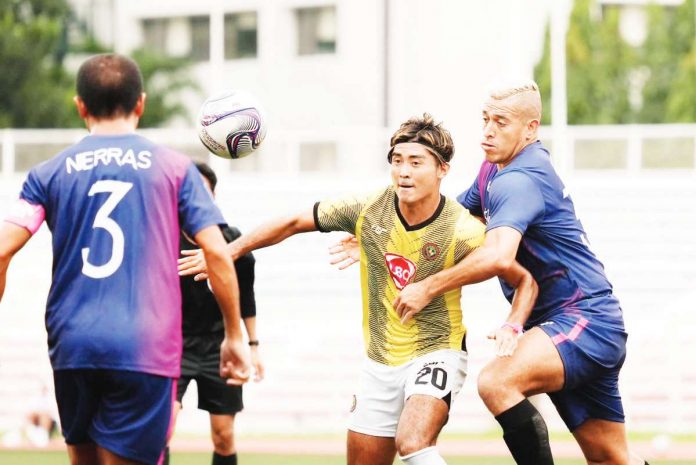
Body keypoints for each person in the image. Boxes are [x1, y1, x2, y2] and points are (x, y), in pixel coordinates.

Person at [178, 114, 538, 465]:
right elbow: (291, 221)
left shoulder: (463, 230)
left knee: (414, 442)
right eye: (397, 161)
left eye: (416, 162)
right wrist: (228, 251)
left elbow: (523, 279)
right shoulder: (368, 209)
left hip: (437, 351)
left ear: (442, 169)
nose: (404, 171)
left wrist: (512, 323)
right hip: (379, 362)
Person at [379, 81, 648, 465]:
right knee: (610, 456)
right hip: (582, 323)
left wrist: (428, 287)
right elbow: (456, 219)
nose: (488, 131)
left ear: (530, 129)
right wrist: (388, 236)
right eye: (485, 119)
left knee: (496, 381)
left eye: (501, 122)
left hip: (584, 320)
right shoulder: (494, 168)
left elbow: (497, 255)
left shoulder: (520, 178)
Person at [0, 53, 250, 465]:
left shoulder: (49, 172)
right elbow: (217, 251)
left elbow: (4, 249)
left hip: (73, 344)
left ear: (80, 106)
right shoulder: (176, 169)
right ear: (141, 104)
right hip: (144, 345)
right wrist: (234, 335)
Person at [164, 162, 264, 465]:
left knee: (224, 435)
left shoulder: (234, 241)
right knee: (161, 430)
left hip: (219, 347)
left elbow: (246, 297)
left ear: (213, 196)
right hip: (173, 347)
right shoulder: (162, 239)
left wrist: (253, 346)